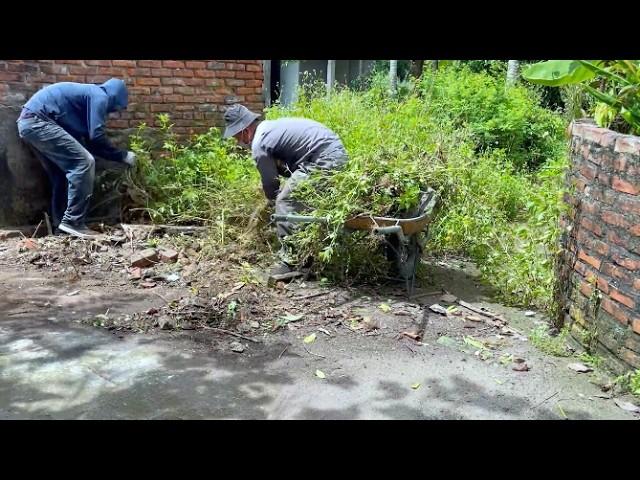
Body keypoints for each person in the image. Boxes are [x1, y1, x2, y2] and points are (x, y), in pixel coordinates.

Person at [223, 104, 348, 275]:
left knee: (286, 201)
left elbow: (270, 183)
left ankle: (289, 262)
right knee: (300, 200)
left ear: (245, 130)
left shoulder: (259, 144)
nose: (238, 141)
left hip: (324, 158)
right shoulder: (269, 129)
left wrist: (273, 204)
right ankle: (308, 256)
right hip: (333, 153)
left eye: (237, 136)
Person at [17, 78, 137, 239]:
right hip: (39, 122)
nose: (110, 113)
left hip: (29, 123)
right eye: (114, 108)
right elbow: (97, 136)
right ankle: (73, 222)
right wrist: (123, 155)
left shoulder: (87, 97)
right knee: (84, 162)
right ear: (115, 97)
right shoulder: (100, 95)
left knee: (62, 175)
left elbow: (93, 143)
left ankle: (61, 227)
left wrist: (119, 157)